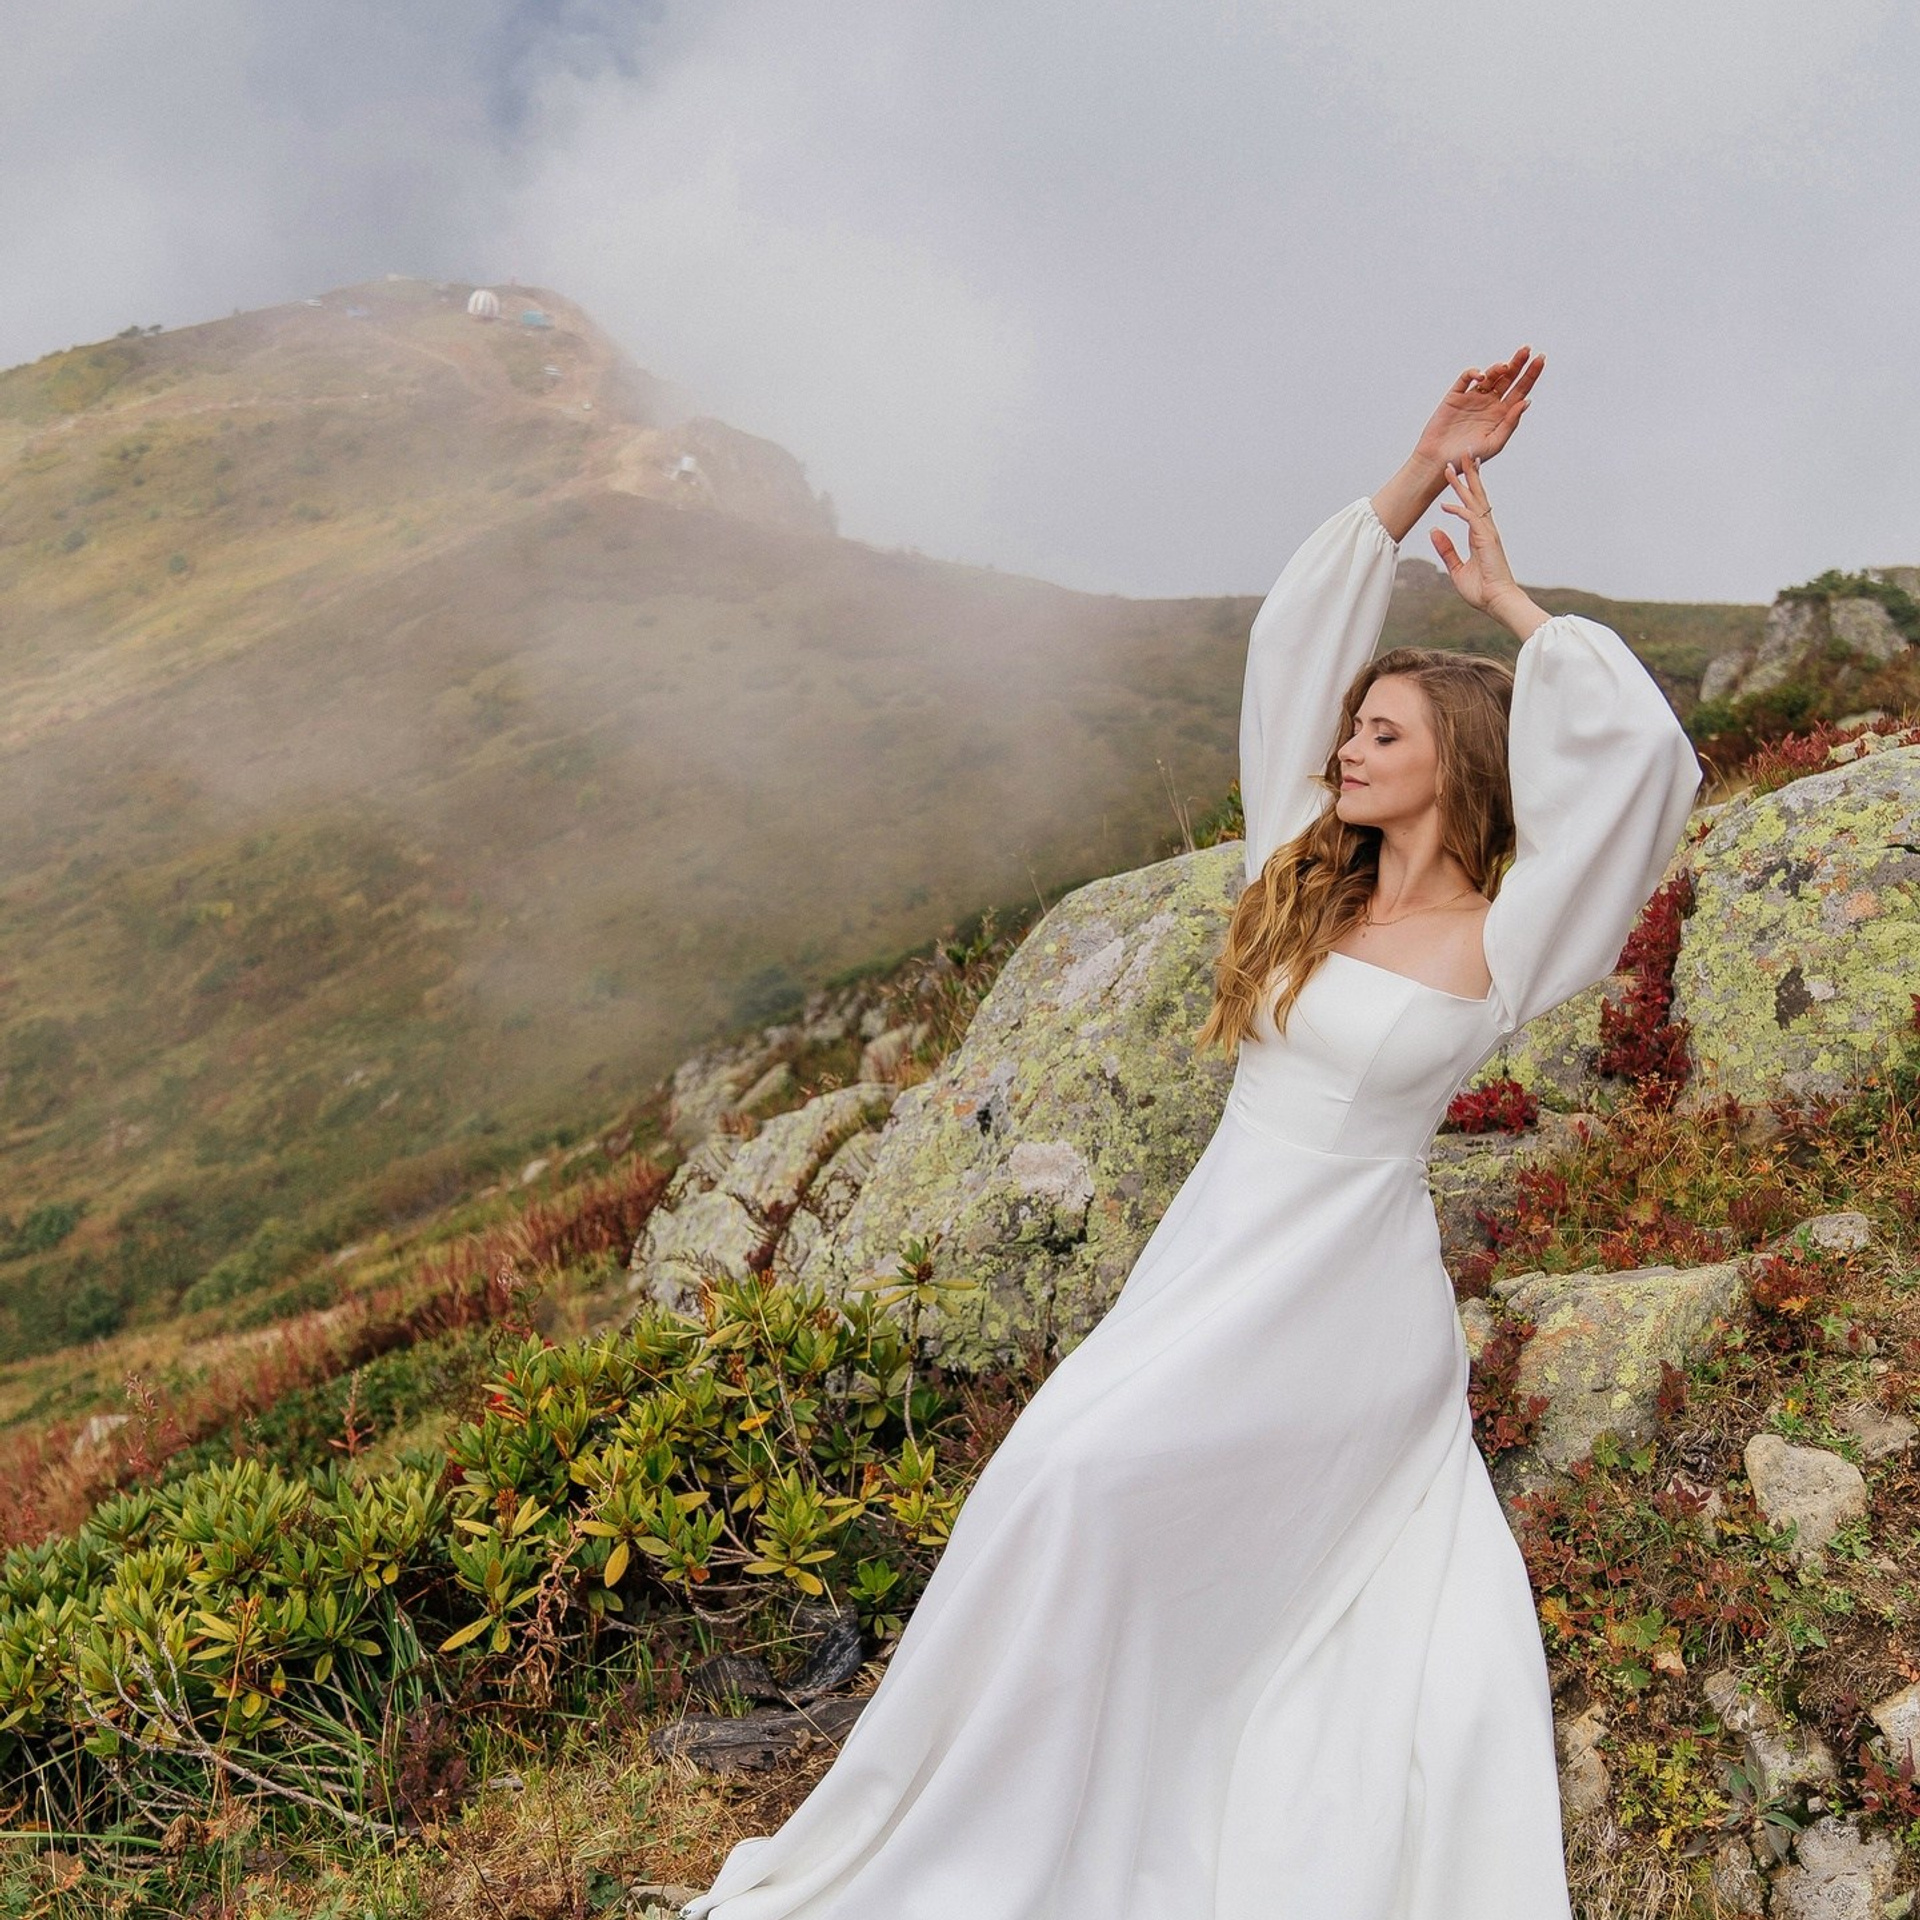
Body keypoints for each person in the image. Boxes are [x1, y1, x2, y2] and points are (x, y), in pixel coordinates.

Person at [683, 349, 1703, 1919]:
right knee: (1054, 1484)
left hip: (1348, 1310)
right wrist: (1420, 469)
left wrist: (1508, 602)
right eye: (1351, 729)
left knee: (1099, 1491)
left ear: (1459, 765)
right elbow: (1293, 642)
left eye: (1384, 734)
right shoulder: (1303, 877)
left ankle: (1119, 1808)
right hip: (1214, 1261)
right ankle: (978, 1812)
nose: (1348, 748)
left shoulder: (1512, 936)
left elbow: (1641, 759)